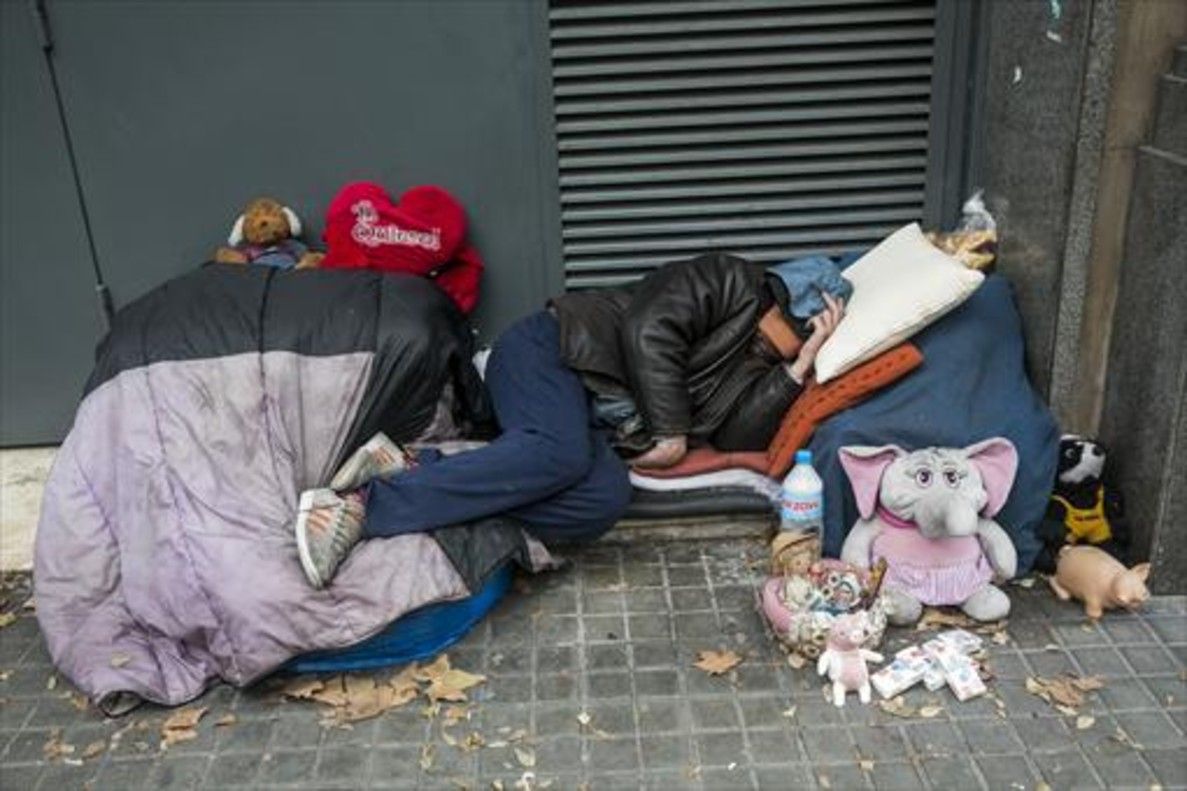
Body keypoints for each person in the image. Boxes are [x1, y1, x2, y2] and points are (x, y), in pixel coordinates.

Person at [294, 252, 845, 588]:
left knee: (604, 498)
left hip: (583, 419)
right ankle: (361, 506)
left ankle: (414, 467)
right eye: (810, 329)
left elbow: (737, 433)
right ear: (797, 300)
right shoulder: (729, 279)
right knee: (558, 452)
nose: (807, 345)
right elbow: (650, 329)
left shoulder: (763, 363)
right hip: (549, 351)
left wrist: (798, 366)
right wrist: (672, 433)